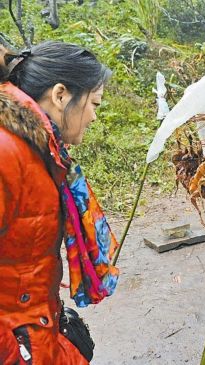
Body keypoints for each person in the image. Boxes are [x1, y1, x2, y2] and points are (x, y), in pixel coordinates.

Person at [0, 41, 118, 364]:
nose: (94, 117)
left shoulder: (42, 152)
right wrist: (17, 355)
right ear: (60, 95)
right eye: (94, 103)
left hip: (36, 334)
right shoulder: (8, 153)